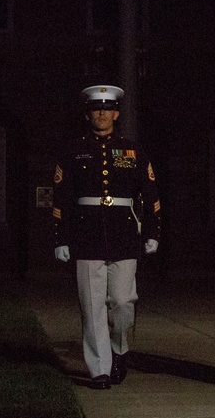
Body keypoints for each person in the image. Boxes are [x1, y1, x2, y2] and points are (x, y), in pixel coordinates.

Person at [52, 85, 161, 390]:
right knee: (92, 305)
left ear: (116, 113)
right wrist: (61, 237)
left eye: (107, 109)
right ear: (88, 114)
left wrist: (153, 231)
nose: (101, 113)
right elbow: (61, 196)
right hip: (86, 235)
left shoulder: (133, 150)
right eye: (95, 109)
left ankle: (120, 348)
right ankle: (98, 368)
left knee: (123, 303)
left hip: (124, 234)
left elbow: (150, 194)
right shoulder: (73, 150)